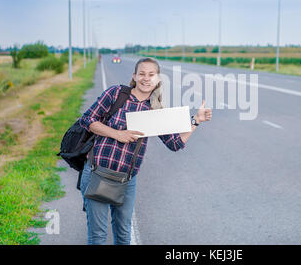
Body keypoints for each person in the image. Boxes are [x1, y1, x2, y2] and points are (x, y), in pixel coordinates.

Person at [79, 57, 212, 245]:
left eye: (151, 74)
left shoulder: (155, 109)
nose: (146, 78)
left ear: (158, 79)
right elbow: (88, 120)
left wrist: (196, 121)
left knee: (124, 235)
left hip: (126, 180)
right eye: (141, 73)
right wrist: (118, 134)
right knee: (98, 236)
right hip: (97, 172)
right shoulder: (116, 94)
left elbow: (174, 143)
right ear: (134, 76)